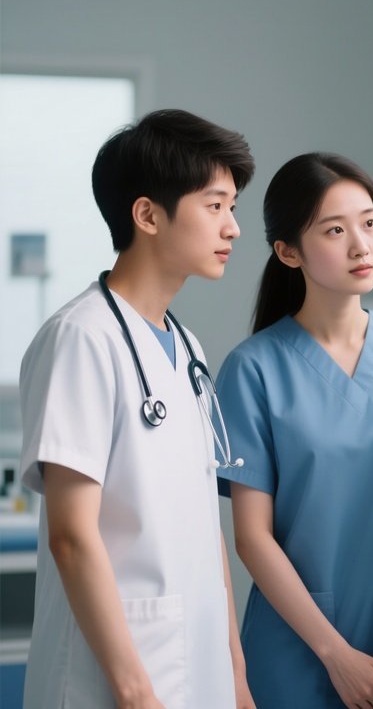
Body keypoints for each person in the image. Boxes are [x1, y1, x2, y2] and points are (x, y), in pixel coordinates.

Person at [18, 109, 256, 708]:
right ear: (148, 214)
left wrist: (236, 677)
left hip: (197, 669)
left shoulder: (187, 347)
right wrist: (134, 692)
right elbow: (71, 537)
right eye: (215, 206)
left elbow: (205, 528)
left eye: (233, 207)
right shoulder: (81, 337)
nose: (233, 228)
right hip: (115, 681)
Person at [215, 152, 373, 709]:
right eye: (335, 229)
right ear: (287, 252)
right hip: (300, 653)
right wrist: (335, 654)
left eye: (370, 222)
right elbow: (252, 538)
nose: (361, 244)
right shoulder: (254, 369)